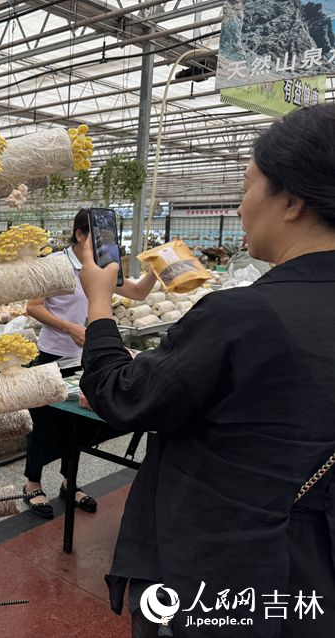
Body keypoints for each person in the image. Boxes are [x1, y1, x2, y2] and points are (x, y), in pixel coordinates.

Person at [78, 103, 335, 637]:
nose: (241, 208)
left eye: (247, 187)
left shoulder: (244, 315)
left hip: (223, 571)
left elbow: (120, 396)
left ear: (291, 201)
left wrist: (99, 304)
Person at [22, 209, 157, 518]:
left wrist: (156, 269)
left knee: (79, 425)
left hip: (86, 359)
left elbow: (136, 292)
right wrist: (69, 327)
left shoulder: (103, 266)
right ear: (80, 234)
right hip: (54, 357)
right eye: (95, 240)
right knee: (43, 424)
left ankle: (71, 483)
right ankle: (32, 484)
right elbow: (33, 308)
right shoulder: (54, 265)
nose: (101, 247)